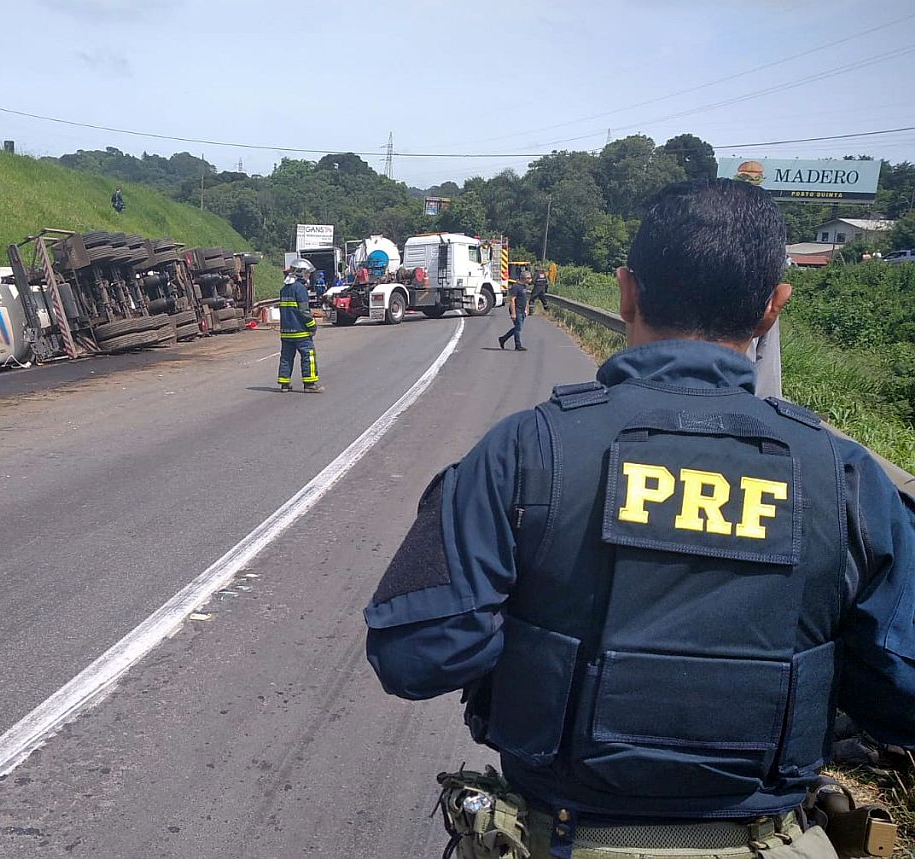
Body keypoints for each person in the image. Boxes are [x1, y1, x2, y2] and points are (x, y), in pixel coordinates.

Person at [365, 179, 915, 859]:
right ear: (774, 308)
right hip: (767, 837)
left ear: (625, 292)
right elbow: (904, 692)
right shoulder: (847, 478)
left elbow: (416, 656)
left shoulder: (525, 450)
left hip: (558, 835)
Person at [277, 258, 323, 393]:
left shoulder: (284, 290)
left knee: (286, 357)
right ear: (300, 272)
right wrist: (312, 326)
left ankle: (284, 384)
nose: (308, 276)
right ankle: (310, 384)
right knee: (308, 355)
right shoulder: (300, 289)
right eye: (307, 273)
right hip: (300, 332)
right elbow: (304, 311)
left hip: (286, 332)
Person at [498, 276, 528, 351]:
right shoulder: (515, 287)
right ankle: (518, 345)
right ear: (524, 278)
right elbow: (512, 300)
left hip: (522, 310)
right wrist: (513, 313)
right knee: (518, 327)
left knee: (518, 327)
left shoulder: (524, 286)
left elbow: (525, 299)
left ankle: (503, 339)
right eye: (529, 278)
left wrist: (526, 309)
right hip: (516, 310)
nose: (530, 279)